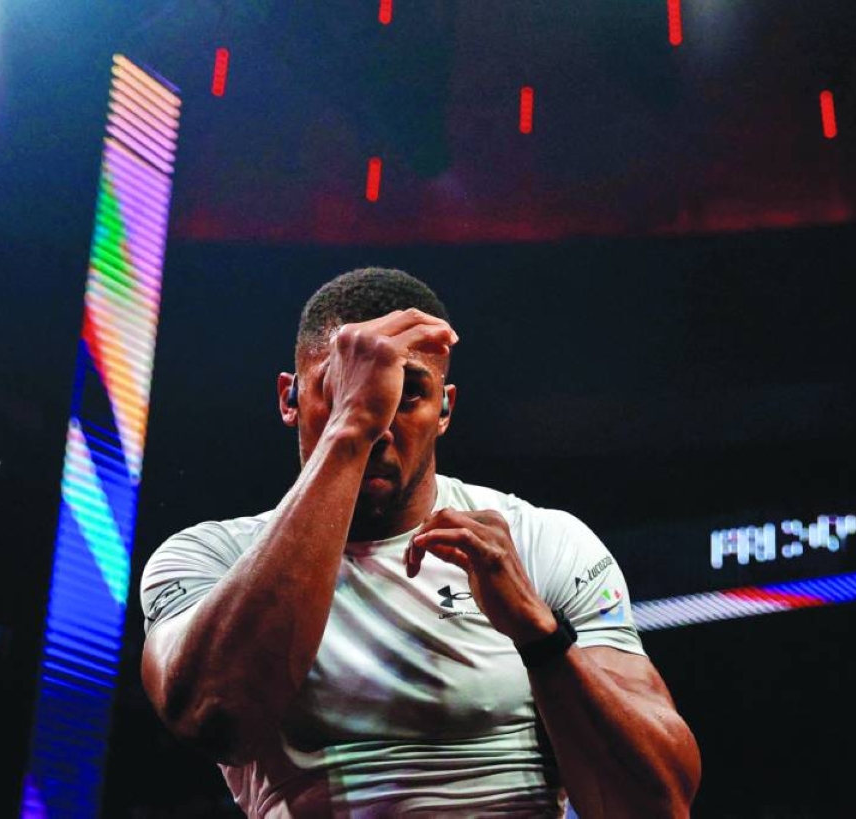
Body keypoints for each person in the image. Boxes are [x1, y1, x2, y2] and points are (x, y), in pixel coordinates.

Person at [139, 267, 701, 818]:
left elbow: (657, 806)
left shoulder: (541, 542)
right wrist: (350, 429)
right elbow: (215, 720)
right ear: (290, 399)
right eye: (341, 389)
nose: (379, 422)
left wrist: (541, 635)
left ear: (445, 409)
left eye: (407, 394)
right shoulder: (210, 557)